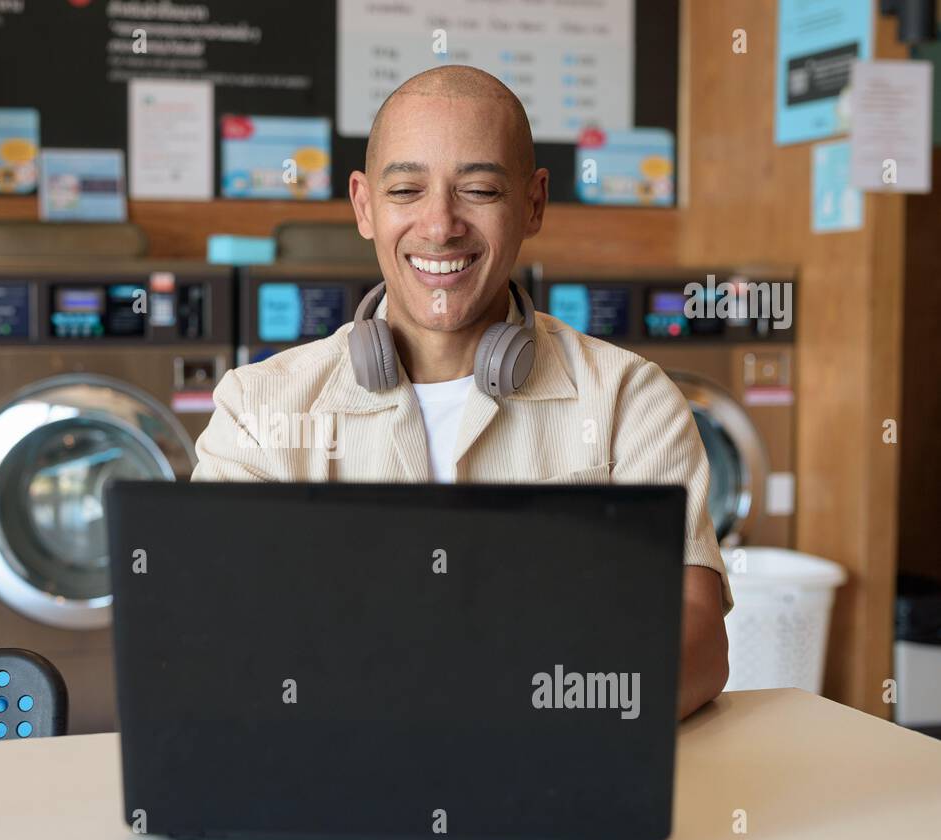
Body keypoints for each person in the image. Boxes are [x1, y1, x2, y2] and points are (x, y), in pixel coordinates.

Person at [194, 65, 730, 719]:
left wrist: (527, 714)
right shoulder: (256, 409)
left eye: (478, 189)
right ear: (365, 206)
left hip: (556, 772)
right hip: (331, 773)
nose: (440, 224)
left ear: (533, 204)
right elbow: (211, 630)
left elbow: (699, 639)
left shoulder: (630, 401)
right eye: (406, 190)